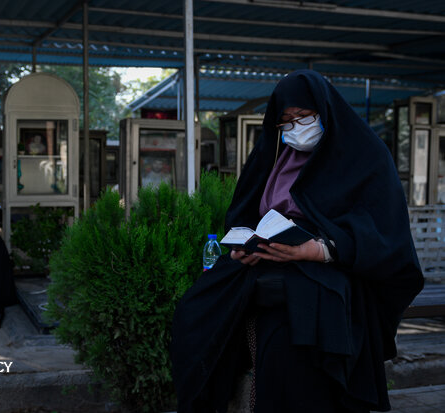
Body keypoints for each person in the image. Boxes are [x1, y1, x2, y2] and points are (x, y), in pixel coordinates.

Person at [170, 70, 424, 412]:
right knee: (196, 310)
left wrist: (318, 249)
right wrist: (244, 246)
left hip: (331, 269)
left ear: (325, 110)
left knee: (291, 334)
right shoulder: (275, 156)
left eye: (303, 117)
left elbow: (384, 233)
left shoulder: (366, 156)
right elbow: (245, 211)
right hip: (266, 260)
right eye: (285, 121)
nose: (294, 127)